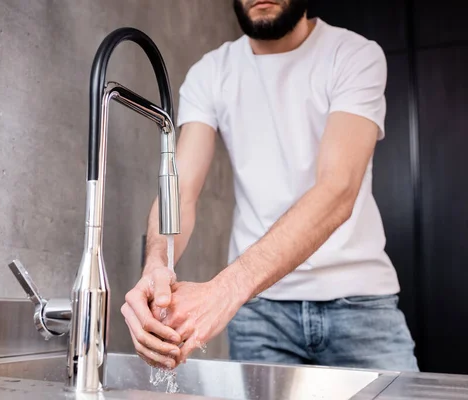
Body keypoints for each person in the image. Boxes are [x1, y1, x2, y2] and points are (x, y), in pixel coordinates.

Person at [121, 0, 419, 372]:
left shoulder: (354, 54)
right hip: (261, 316)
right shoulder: (211, 73)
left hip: (359, 304)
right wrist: (155, 265)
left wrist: (226, 289)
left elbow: (337, 190)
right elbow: (179, 193)